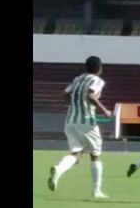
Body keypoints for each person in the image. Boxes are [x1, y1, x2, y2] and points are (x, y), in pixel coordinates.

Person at [47, 56, 112, 199]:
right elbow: (90, 95)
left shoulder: (78, 78)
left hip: (70, 121)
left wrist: (75, 106)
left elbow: (64, 95)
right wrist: (105, 110)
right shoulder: (97, 80)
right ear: (99, 68)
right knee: (95, 154)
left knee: (76, 154)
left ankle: (58, 170)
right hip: (87, 122)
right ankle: (97, 191)